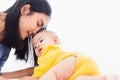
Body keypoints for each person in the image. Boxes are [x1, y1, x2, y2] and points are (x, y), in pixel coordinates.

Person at [0, 0, 51, 79]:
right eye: (38, 24)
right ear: (25, 9)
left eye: (40, 29)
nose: (35, 32)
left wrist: (33, 71)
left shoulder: (6, 47)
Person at [20, 30, 101, 80]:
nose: (37, 46)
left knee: (50, 75)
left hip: (77, 62)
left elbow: (41, 71)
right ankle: (105, 78)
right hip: (83, 69)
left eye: (41, 41)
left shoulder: (49, 50)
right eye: (34, 47)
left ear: (55, 40)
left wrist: (33, 77)